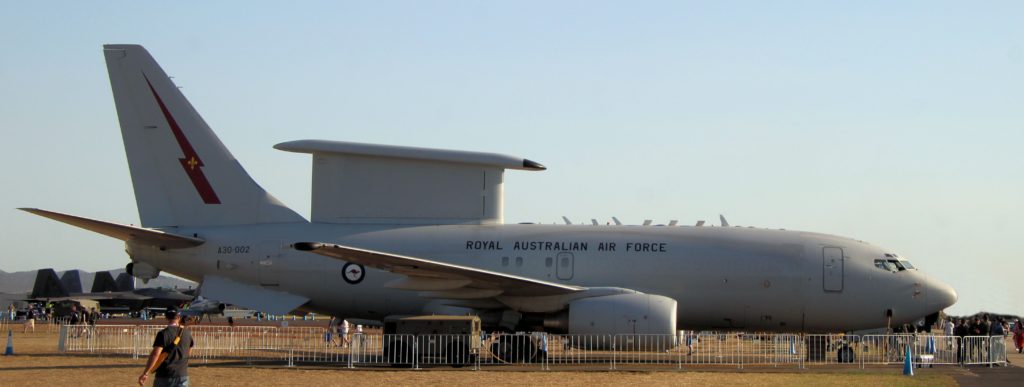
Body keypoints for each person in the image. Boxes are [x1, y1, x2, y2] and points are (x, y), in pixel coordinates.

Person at [138, 307, 193, 387]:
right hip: (182, 374)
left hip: (164, 375)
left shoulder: (163, 334)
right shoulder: (187, 333)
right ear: (179, 317)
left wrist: (145, 373)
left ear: (166, 317)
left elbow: (156, 354)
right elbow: (189, 351)